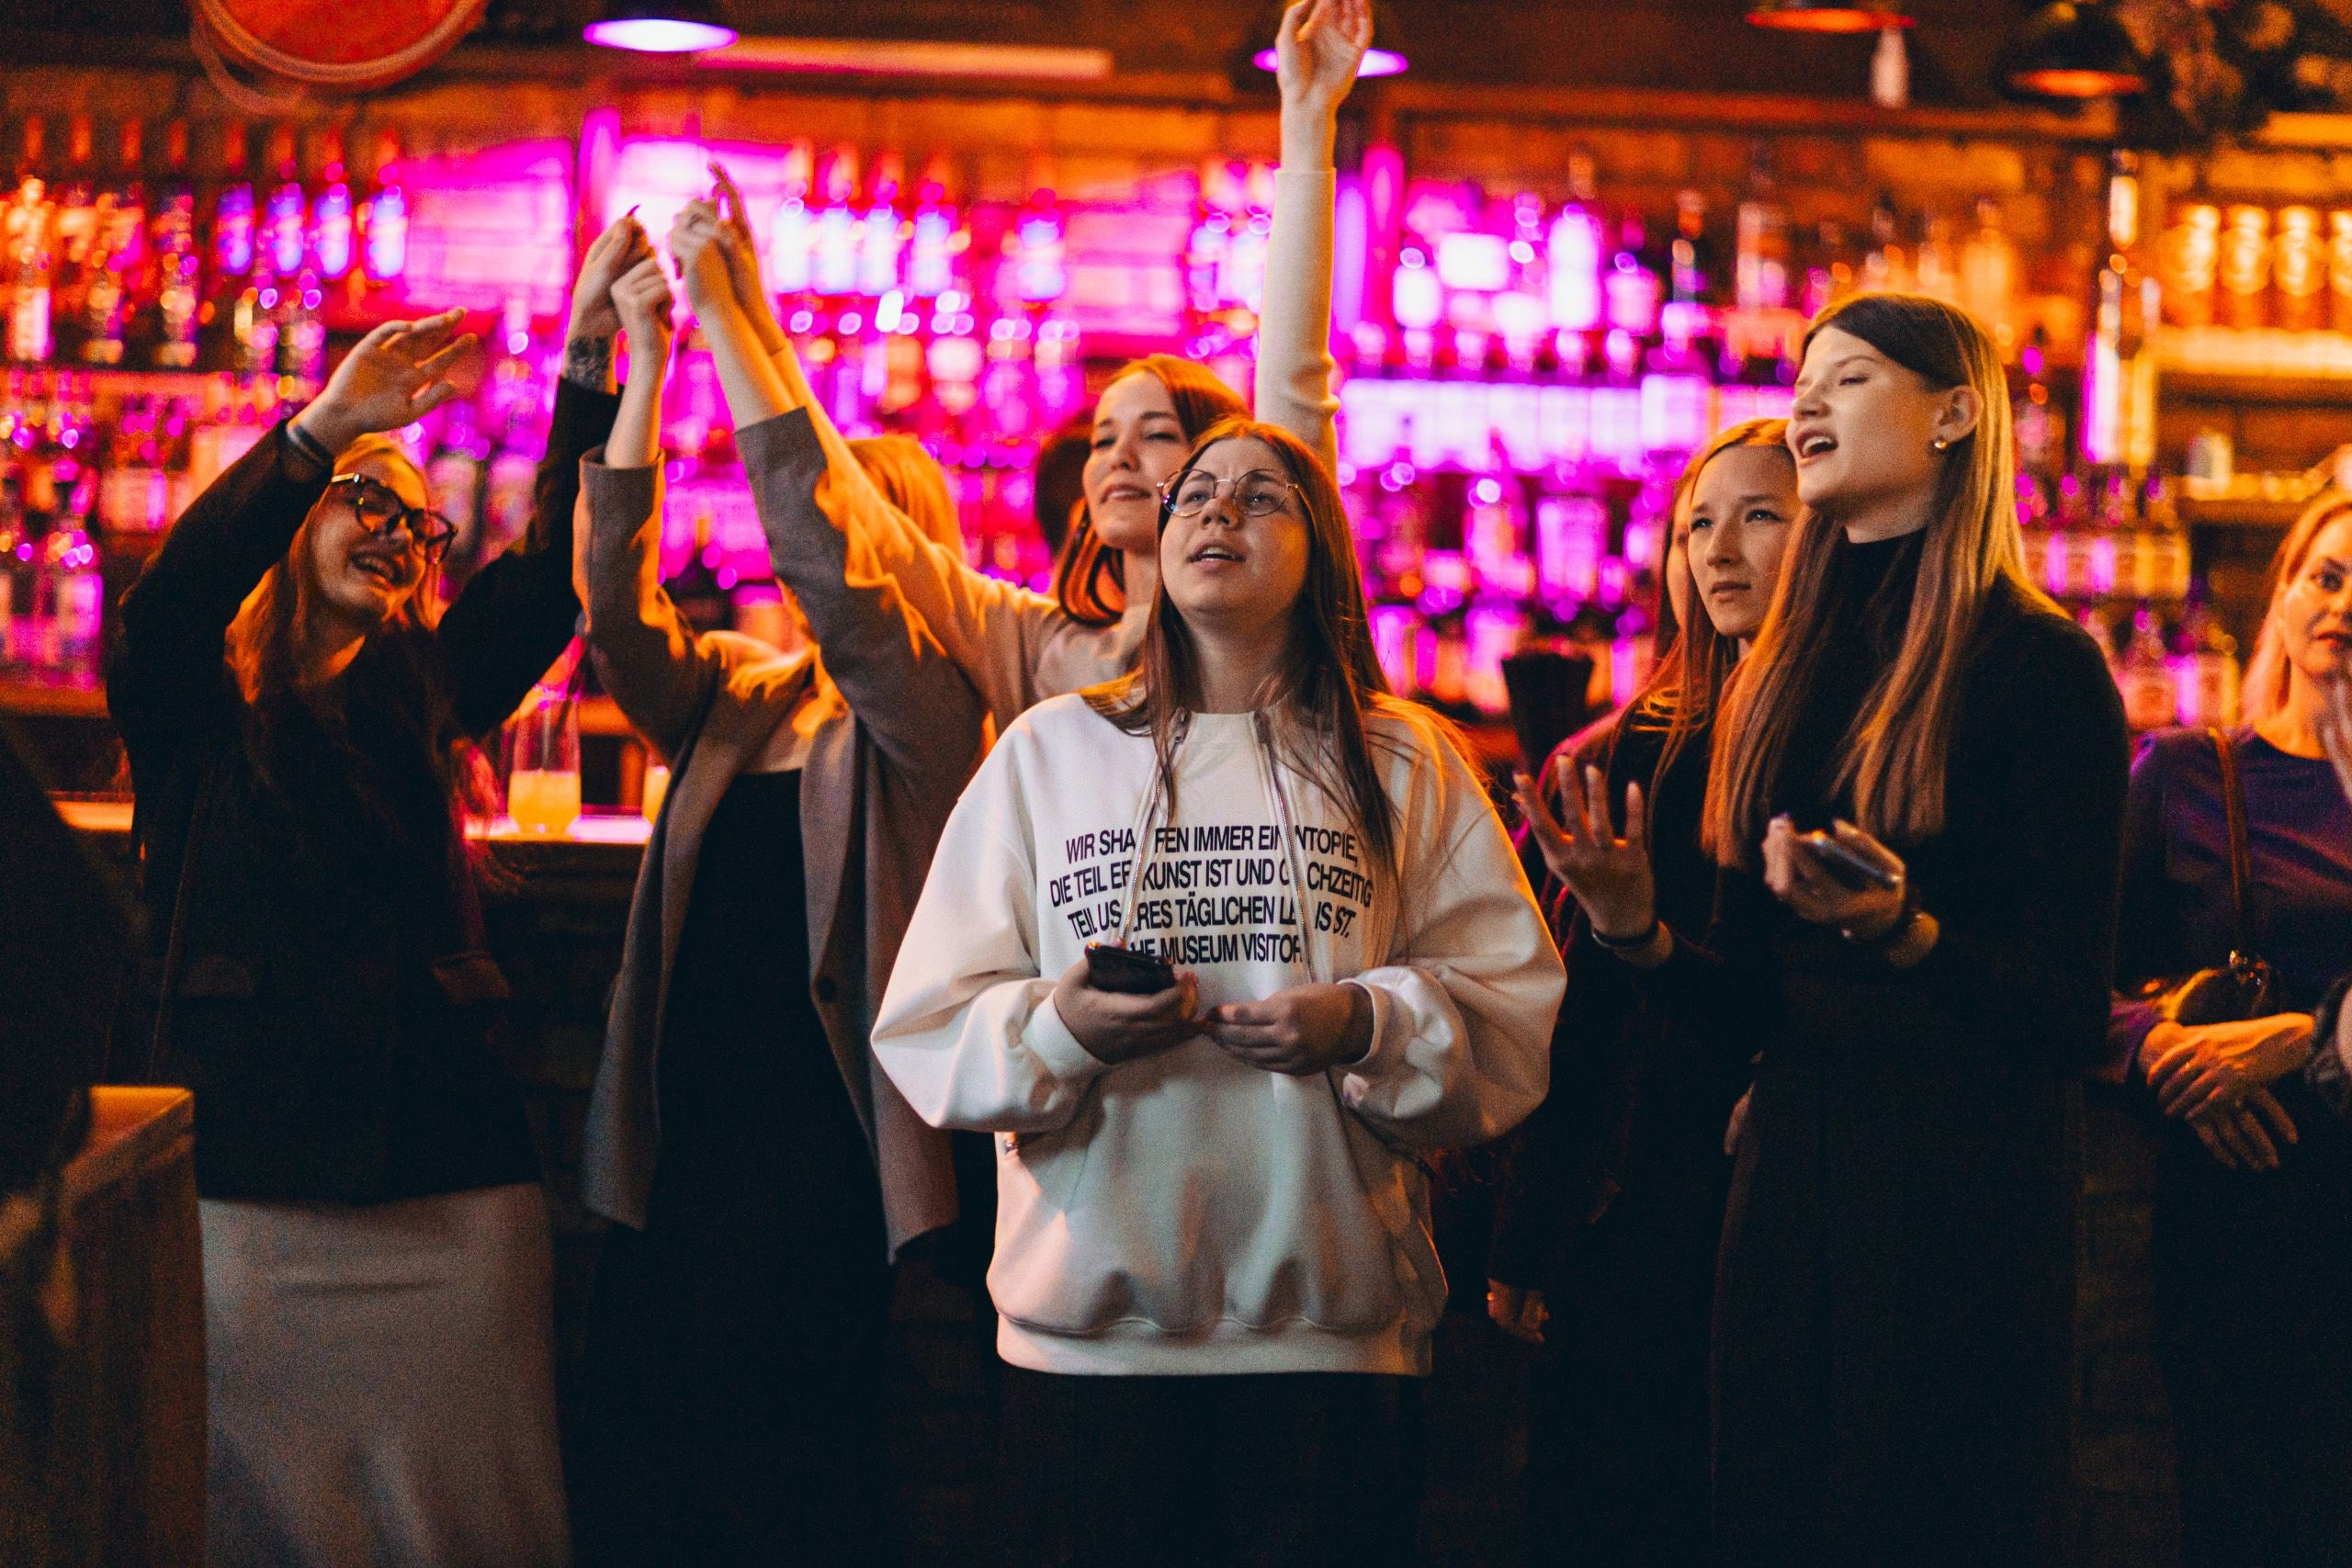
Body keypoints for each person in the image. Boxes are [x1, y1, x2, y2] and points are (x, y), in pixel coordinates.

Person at [870, 414, 1562, 1567]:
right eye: (1194, 492)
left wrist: (1366, 1023)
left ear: (1320, 550)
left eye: (1259, 496)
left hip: (1332, 1347)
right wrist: (1065, 1027)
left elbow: (1512, 1019)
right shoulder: (1049, 752)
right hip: (1088, 1349)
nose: (1213, 512)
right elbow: (930, 1023)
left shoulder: (1404, 760)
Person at [107, 217, 645, 1568]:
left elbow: (545, 579)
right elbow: (170, 603)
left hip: (449, 1185)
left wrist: (594, 352)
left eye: (418, 517)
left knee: (466, 1521)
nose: (399, 531)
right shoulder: (195, 708)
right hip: (248, 1186)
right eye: (367, 497)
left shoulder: (424, 695)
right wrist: (321, 428)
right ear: (298, 520)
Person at [1646, 292, 2129, 1564]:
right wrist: (1632, 924)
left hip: (1963, 1194)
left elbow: (2070, 1011)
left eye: (1850, 380)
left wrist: (1908, 930)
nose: (1806, 405)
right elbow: (1750, 1003)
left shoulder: (2041, 665)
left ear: (1957, 413)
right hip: (1797, 1179)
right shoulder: (1788, 669)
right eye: (1805, 381)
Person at [566, 232, 987, 1564]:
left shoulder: (933, 710)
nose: (816, 556)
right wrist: (648, 366)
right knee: (650, 1463)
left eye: (864, 528)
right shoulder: (738, 699)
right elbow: (614, 612)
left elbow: (841, 591)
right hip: (680, 1130)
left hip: (818, 1157)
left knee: (793, 1477)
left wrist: (753, 352)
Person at [684, 0, 1369, 739]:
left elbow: (1295, 388)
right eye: (1104, 440)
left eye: (1158, 434)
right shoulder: (1044, 650)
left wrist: (1308, 122)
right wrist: (754, 324)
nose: (1120, 459)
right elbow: (858, 514)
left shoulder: (1263, 631)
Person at [1489, 419, 1794, 1567]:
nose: (1715, 550)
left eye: (1759, 515)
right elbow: (1579, 1014)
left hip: (1791, 1205)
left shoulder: (1866, 738)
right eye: (1692, 525)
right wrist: (1529, 1229)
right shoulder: (1634, 753)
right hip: (1638, 1207)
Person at [2109, 491, 2352, 1568]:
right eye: (2327, 574)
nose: (2341, 604)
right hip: (2235, 1204)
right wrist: (2156, 1049)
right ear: (2287, 593)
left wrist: (2306, 1033)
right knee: (2235, 1502)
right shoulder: (2186, 776)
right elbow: (2075, 977)